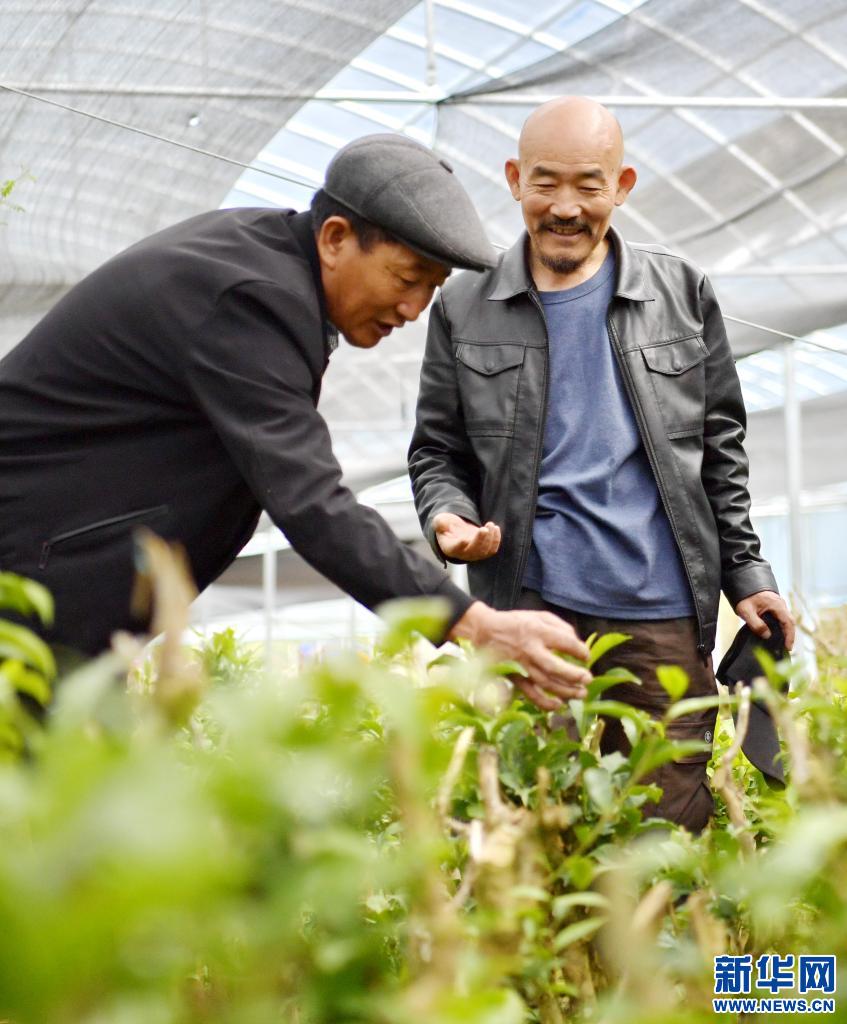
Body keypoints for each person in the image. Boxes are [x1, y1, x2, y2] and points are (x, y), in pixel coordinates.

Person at [0, 133, 592, 701]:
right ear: (335, 237)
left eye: (431, 288)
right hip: (25, 578)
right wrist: (471, 622)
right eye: (407, 278)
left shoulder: (266, 265)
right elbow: (310, 502)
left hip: (51, 578)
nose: (414, 308)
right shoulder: (251, 300)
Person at [408, 98, 795, 832]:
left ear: (622, 185)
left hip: (661, 609)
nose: (565, 206)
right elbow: (437, 449)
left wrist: (747, 574)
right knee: (531, 821)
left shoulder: (680, 293)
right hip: (525, 607)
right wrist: (447, 516)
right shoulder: (465, 305)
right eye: (544, 182)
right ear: (514, 179)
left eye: (588, 185)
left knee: (663, 832)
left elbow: (719, 447)